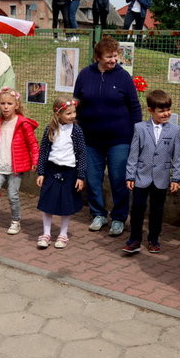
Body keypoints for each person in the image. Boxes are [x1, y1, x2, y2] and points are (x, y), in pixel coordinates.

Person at [73, 36, 142, 236]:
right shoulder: (85, 74)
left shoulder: (123, 77)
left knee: (119, 178)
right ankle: (98, 214)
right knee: (93, 178)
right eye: (109, 56)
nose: (113, 60)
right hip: (90, 138)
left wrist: (136, 136)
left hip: (119, 139)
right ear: (98, 57)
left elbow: (135, 107)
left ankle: (119, 218)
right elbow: (77, 100)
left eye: (115, 56)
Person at [122, 90, 180, 254]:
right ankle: (134, 239)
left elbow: (176, 156)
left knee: (157, 210)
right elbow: (133, 154)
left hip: (161, 178)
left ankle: (154, 239)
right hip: (142, 176)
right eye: (161, 110)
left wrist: (175, 178)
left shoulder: (174, 130)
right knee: (137, 209)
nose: (166, 113)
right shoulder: (140, 128)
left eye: (168, 109)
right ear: (151, 111)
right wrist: (130, 175)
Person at [0, 88, 39, 239]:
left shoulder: (23, 123)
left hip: (16, 167)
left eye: (9, 103)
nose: (5, 107)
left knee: (13, 195)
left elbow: (33, 144)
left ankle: (16, 221)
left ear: (16, 105)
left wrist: (35, 160)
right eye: (3, 103)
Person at [35, 96, 86, 249]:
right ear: (58, 114)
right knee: (47, 203)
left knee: (66, 203)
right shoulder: (50, 129)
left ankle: (63, 234)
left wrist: (80, 176)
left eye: (74, 112)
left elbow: (82, 153)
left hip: (69, 172)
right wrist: (41, 172)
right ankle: (46, 233)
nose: (73, 116)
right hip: (52, 170)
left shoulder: (76, 130)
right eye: (68, 113)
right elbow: (43, 151)